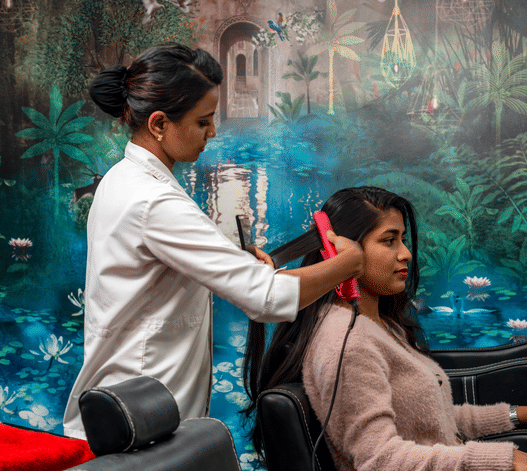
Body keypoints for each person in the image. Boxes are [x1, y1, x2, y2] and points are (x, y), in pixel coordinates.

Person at [244, 186, 527, 471]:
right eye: (389, 240)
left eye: (403, 239)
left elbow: (426, 420)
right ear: (340, 253)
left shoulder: (376, 325)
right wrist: (508, 461)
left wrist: (519, 414)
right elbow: (381, 461)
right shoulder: (347, 343)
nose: (405, 253)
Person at [63, 43, 364, 439]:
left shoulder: (122, 179)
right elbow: (266, 298)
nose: (213, 132)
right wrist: (347, 263)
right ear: (159, 124)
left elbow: (155, 265)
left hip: (124, 409)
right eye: (203, 121)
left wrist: (229, 257)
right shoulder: (154, 200)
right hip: (136, 422)